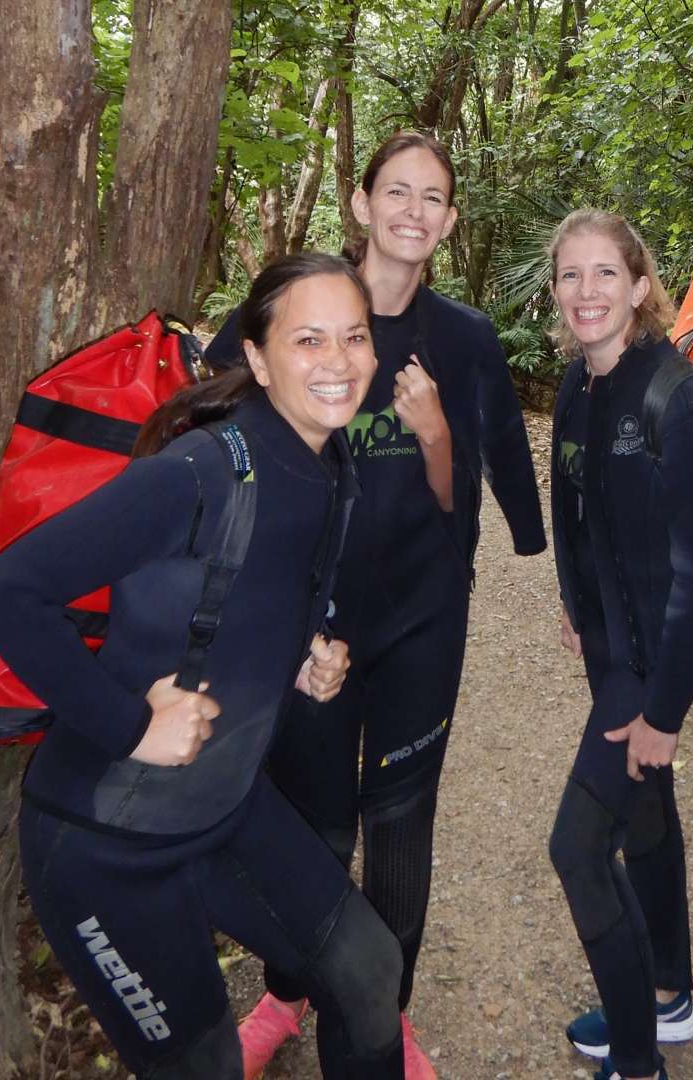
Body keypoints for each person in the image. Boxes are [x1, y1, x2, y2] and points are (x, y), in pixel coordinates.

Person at [0, 254, 409, 1078]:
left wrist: (307, 660)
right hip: (107, 849)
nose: (339, 360)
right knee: (203, 1065)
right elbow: (6, 593)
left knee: (369, 970)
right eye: (309, 339)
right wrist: (134, 726)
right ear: (261, 357)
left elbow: (246, 604)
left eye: (355, 336)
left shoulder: (328, 464)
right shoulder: (204, 471)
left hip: (226, 808)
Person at [221, 132, 546, 1079]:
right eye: (395, 192)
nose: (412, 210)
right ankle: (286, 993)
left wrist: (440, 434)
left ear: (448, 221)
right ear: (362, 205)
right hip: (305, 627)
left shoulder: (468, 340)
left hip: (420, 619)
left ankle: (381, 1010)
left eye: (433, 198)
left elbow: (466, 493)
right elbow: (209, 430)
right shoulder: (298, 317)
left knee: (400, 819)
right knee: (311, 819)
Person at [546, 209, 693, 1080]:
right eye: (569, 276)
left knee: (579, 848)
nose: (586, 293)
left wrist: (661, 710)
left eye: (604, 275)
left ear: (640, 287)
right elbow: (575, 515)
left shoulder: (677, 399)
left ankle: (635, 1063)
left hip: (654, 664)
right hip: (611, 650)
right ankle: (668, 997)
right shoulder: (574, 387)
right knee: (647, 814)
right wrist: (575, 605)